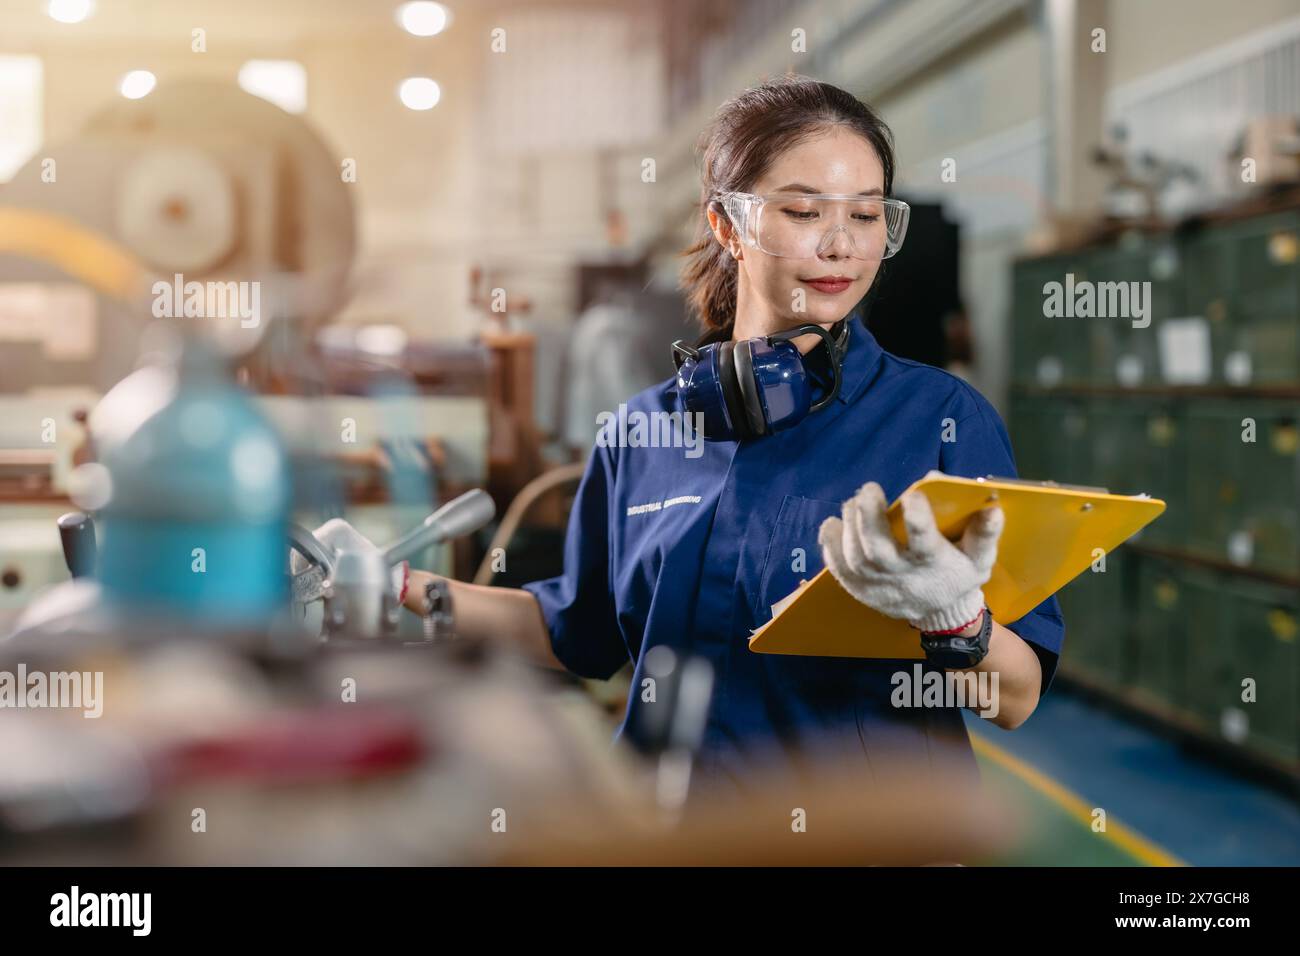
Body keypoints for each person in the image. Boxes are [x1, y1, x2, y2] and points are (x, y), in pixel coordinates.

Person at [405, 74, 1063, 793]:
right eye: (805, 211)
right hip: (676, 824)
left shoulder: (938, 419)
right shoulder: (642, 433)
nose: (842, 245)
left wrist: (956, 622)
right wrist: (401, 589)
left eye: (867, 215)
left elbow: (1017, 697)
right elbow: (577, 632)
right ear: (727, 226)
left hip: (866, 833)